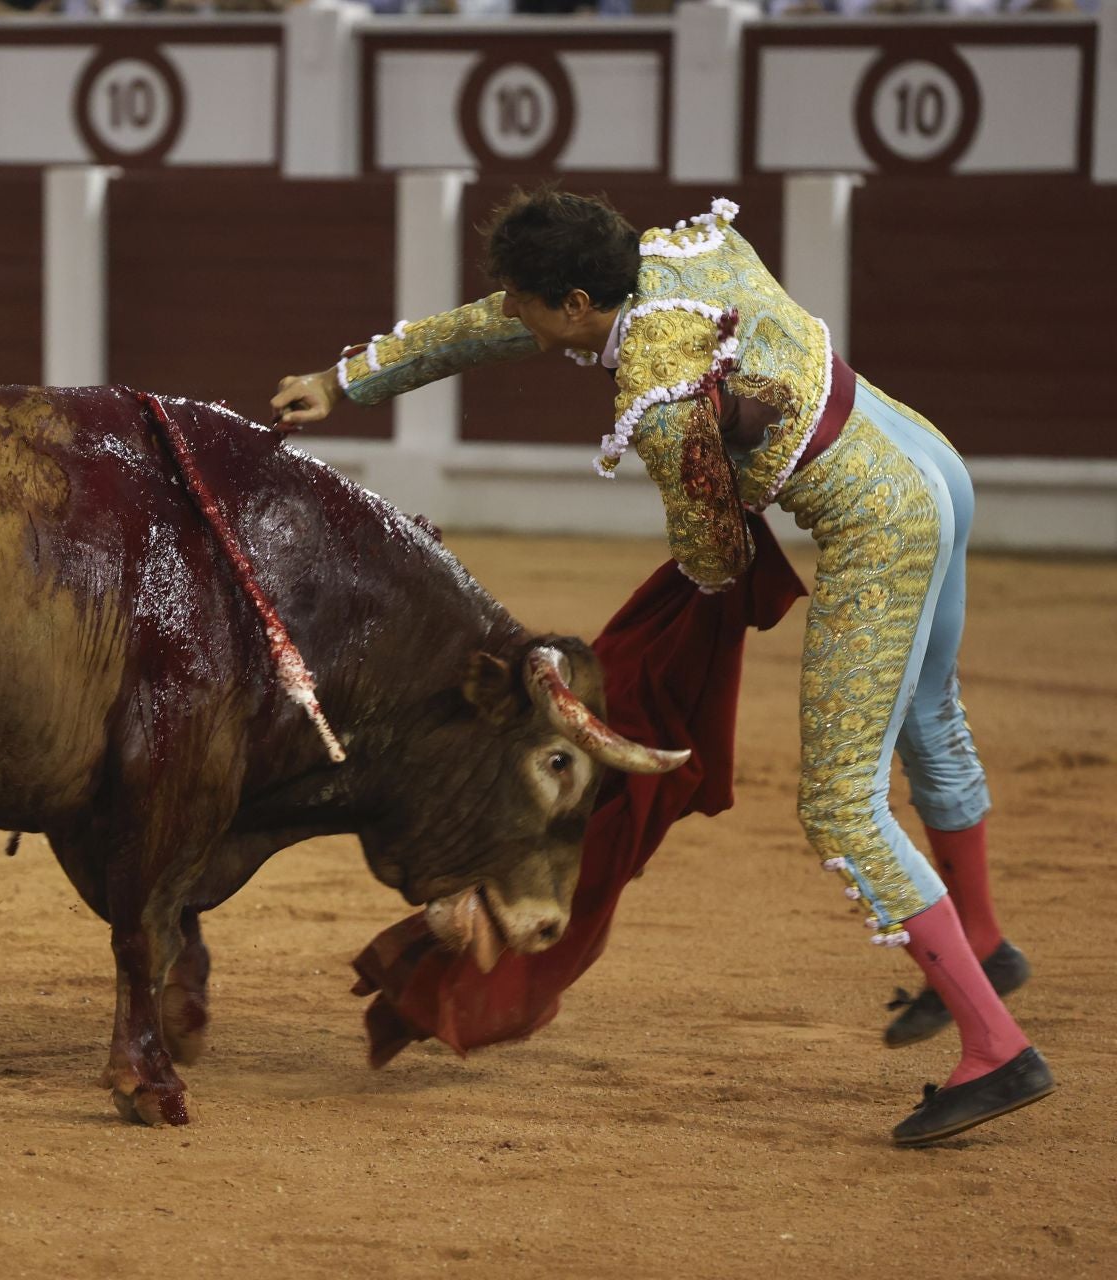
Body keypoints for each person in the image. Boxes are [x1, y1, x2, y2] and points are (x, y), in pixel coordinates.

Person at [268, 187, 1052, 1146]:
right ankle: (980, 939)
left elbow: (716, 559)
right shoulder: (674, 253)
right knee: (928, 716)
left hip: (886, 523)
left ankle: (993, 1045)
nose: (513, 315)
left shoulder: (659, 388)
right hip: (927, 459)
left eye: (526, 302)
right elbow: (494, 327)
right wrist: (349, 379)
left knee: (842, 802)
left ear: (577, 305)